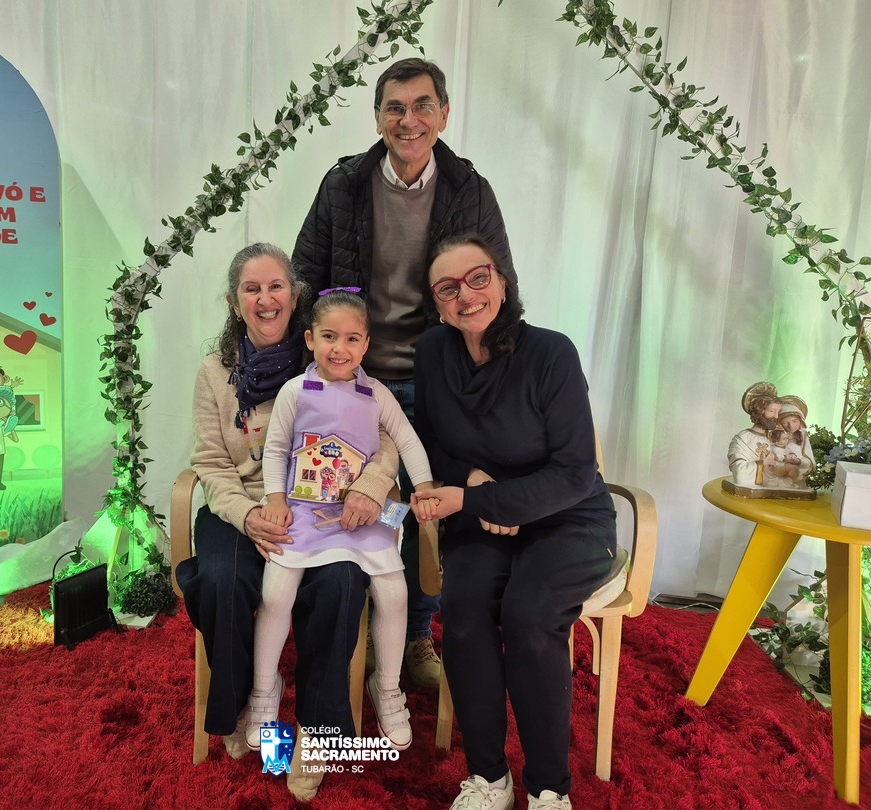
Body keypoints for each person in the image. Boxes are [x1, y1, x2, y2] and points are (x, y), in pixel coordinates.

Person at [292, 57, 511, 688]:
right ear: (377, 117)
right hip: (353, 377)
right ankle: (355, 630)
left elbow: (497, 284)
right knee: (345, 501)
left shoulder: (470, 189)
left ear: (444, 115)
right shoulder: (344, 184)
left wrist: (490, 378)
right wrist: (320, 361)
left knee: (424, 508)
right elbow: (306, 272)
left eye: (422, 106)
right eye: (394, 107)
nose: (408, 120)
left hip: (438, 378)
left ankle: (415, 636)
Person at [174, 244, 399, 801]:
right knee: (221, 581)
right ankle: (246, 702)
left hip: (321, 511)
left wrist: (371, 487)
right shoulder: (215, 372)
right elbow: (210, 462)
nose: (266, 298)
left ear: (294, 296)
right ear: (235, 303)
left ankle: (319, 734)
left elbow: (386, 436)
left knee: (341, 582)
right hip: (241, 508)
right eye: (251, 289)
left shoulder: (327, 351)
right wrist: (249, 514)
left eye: (276, 286)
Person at [410, 235, 617, 810]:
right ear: (437, 303)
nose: (466, 295)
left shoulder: (551, 352)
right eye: (447, 288)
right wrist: (473, 483)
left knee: (530, 613)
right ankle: (489, 779)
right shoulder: (432, 351)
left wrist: (492, 502)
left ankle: (549, 789)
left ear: (502, 281)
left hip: (567, 517)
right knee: (462, 609)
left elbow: (576, 472)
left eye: (478, 278)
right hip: (480, 513)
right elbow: (426, 444)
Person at [247, 289, 435, 753]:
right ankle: (264, 689)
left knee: (395, 592)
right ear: (310, 339)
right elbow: (276, 449)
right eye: (329, 336)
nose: (340, 348)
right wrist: (275, 499)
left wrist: (425, 488)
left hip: (363, 514)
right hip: (302, 512)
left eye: (352, 339)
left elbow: (408, 442)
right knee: (275, 593)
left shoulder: (376, 394)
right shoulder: (295, 391)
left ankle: (387, 687)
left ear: (366, 345)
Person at [727, 381, 784, 488]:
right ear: (759, 411)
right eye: (772, 411)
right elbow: (739, 473)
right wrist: (763, 464)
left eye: (778, 412)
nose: (776, 416)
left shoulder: (775, 438)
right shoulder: (742, 439)